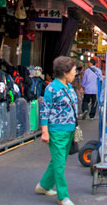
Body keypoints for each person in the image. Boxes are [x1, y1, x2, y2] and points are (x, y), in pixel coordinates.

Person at [36, 56, 79, 205]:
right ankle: (63, 196)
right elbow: (44, 111)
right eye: (73, 71)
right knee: (60, 164)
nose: (75, 74)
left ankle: (43, 186)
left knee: (57, 161)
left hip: (69, 130)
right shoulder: (51, 88)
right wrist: (45, 131)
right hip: (57, 131)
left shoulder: (69, 87)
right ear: (65, 72)